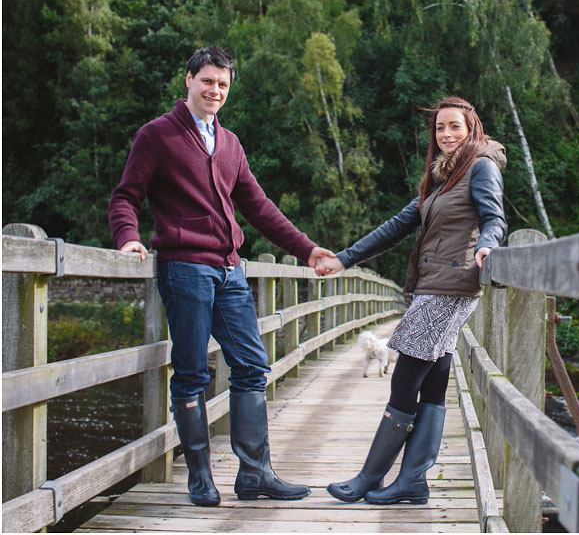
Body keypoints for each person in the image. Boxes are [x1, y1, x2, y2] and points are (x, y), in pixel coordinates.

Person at [108, 46, 335, 506]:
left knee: (252, 366)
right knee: (191, 373)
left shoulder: (230, 143)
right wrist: (127, 237)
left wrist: (307, 249)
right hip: (185, 269)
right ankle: (199, 477)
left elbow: (259, 208)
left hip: (230, 270)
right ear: (188, 80)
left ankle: (255, 475)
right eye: (208, 81)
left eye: (223, 85)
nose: (215, 91)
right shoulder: (157, 136)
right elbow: (125, 196)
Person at [316, 96, 506, 505]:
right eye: (440, 128)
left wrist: (488, 248)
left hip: (450, 286)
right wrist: (344, 258)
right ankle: (412, 482)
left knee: (404, 381)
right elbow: (397, 225)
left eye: (455, 126)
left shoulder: (481, 166)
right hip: (433, 285)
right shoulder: (440, 177)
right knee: (434, 383)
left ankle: (369, 477)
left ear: (471, 128)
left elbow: (494, 218)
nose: (447, 134)